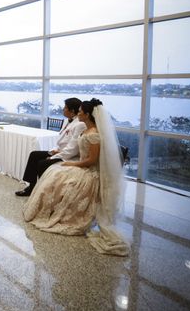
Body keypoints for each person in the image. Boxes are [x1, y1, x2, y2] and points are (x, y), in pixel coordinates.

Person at [23, 99, 129, 256]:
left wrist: (72, 165)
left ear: (87, 114)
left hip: (89, 170)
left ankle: (56, 209)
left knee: (56, 174)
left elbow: (92, 161)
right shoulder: (85, 130)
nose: (78, 113)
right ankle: (47, 204)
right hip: (79, 163)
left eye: (80, 111)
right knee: (54, 173)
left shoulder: (94, 135)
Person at [15, 98, 86, 196]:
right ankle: (31, 187)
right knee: (34, 154)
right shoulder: (66, 121)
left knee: (42, 163)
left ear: (72, 111)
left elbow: (72, 149)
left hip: (68, 156)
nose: (63, 109)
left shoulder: (80, 124)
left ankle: (42, 191)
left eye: (65, 108)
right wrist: (53, 151)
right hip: (59, 151)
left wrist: (53, 156)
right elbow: (61, 140)